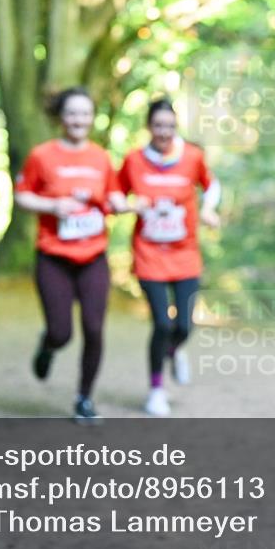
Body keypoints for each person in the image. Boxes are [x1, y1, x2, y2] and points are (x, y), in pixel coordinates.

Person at [13, 87, 124, 425]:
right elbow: (21, 196)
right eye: (72, 113)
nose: (79, 120)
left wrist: (120, 203)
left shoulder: (101, 158)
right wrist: (52, 205)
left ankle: (84, 398)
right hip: (54, 256)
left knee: (94, 328)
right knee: (62, 332)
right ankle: (48, 345)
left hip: (93, 256)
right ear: (61, 117)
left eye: (85, 113)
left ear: (93, 118)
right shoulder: (42, 155)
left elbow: (113, 195)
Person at [117, 99, 220, 417]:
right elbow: (115, 195)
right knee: (162, 323)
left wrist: (207, 209)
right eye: (158, 126)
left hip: (185, 254)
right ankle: (156, 390)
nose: (164, 132)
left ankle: (175, 351)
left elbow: (212, 184)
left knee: (185, 326)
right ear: (149, 127)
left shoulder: (191, 157)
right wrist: (129, 206)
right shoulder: (134, 161)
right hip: (149, 255)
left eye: (170, 126)